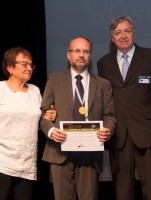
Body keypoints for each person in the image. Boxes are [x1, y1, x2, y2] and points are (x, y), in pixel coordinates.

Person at [97, 16, 151, 200]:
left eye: (127, 31)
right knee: (123, 193)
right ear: (112, 38)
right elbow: (103, 101)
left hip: (149, 135)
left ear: (134, 33)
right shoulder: (103, 63)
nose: (123, 36)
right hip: (119, 138)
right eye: (117, 32)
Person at [40, 36, 116, 200]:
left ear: (90, 55)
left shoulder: (103, 84)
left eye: (86, 51)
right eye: (77, 51)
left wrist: (107, 131)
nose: (81, 55)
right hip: (60, 150)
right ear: (69, 55)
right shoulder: (55, 79)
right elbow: (44, 113)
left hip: (90, 152)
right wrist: (52, 130)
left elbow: (109, 116)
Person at [0, 47, 55, 200]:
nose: (29, 68)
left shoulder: (35, 91)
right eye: (24, 64)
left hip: (26, 163)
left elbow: (37, 122)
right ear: (10, 68)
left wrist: (48, 116)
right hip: (1, 160)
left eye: (31, 65)